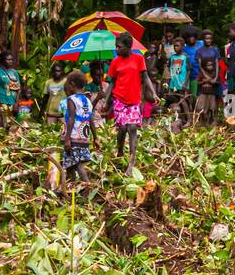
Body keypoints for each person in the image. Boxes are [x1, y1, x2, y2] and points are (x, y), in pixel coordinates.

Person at [97, 33, 158, 176]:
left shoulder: (138, 59)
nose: (117, 49)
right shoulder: (115, 62)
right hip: (119, 98)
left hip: (134, 100)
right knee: (123, 128)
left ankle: (131, 162)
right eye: (116, 47)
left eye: (119, 47)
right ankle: (119, 150)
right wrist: (106, 100)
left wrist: (153, 93)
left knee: (132, 128)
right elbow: (111, 82)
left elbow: (145, 77)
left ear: (128, 47)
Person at [61, 71, 94, 188]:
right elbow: (91, 120)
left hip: (73, 137)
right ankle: (71, 188)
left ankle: (88, 186)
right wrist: (96, 138)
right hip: (84, 138)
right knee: (70, 165)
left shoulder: (72, 99)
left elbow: (71, 119)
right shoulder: (88, 101)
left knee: (77, 164)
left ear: (72, 84)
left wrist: (67, 139)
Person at [195, 30, 221, 121]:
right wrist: (206, 76)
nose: (208, 40)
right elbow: (199, 64)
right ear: (203, 39)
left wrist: (216, 76)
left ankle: (214, 120)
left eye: (210, 39)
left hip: (214, 75)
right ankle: (201, 120)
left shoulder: (215, 50)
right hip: (203, 76)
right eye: (206, 38)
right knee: (202, 99)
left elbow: (217, 64)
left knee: (213, 99)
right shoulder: (199, 51)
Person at [164, 37, 190, 121]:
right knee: (173, 100)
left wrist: (185, 83)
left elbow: (189, 70)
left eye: (178, 46)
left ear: (182, 46)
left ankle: (189, 120)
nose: (176, 48)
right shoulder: (172, 57)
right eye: (174, 46)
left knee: (183, 101)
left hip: (182, 83)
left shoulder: (185, 57)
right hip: (173, 83)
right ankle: (175, 119)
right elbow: (168, 68)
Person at [0, 51, 22, 120]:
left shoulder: (14, 72)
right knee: (4, 123)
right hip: (2, 101)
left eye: (12, 60)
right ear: (3, 60)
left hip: (13, 101)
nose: (11, 61)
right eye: (8, 60)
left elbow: (19, 89)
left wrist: (16, 103)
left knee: (13, 123)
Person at [182, 29, 202, 100]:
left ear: (196, 37)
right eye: (188, 37)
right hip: (188, 76)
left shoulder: (201, 44)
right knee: (189, 97)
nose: (191, 39)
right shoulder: (184, 48)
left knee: (197, 96)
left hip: (201, 75)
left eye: (192, 36)